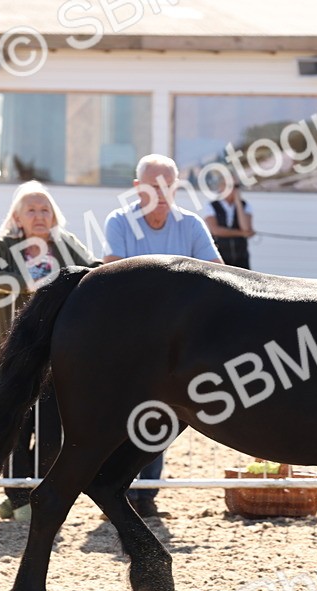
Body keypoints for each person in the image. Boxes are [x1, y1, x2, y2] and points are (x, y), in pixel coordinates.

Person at [104, 154, 222, 519]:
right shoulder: (118, 221)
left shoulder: (191, 224)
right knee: (116, 417)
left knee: (164, 416)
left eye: (168, 185)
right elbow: (112, 272)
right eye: (154, 185)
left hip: (173, 342)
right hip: (126, 336)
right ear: (138, 188)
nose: (161, 192)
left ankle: (148, 495)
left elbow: (216, 273)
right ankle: (111, 493)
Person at [0, 181, 95, 521]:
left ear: (54, 215)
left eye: (45, 209)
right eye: (31, 210)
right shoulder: (7, 245)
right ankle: (19, 499)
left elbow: (93, 271)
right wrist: (23, 281)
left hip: (57, 358)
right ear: (17, 217)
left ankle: (40, 494)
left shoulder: (66, 244)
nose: (39, 216)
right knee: (15, 427)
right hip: (11, 357)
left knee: (53, 430)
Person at [203, 174, 254, 270]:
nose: (234, 189)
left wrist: (238, 203)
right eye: (230, 185)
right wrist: (241, 233)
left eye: (237, 186)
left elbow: (246, 228)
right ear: (221, 187)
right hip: (220, 258)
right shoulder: (211, 205)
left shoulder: (245, 205)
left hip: (241, 258)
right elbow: (215, 230)